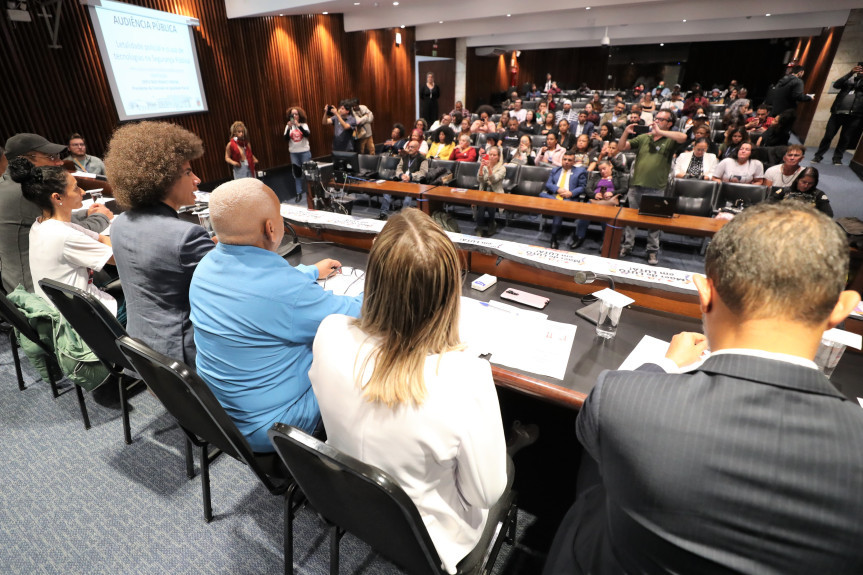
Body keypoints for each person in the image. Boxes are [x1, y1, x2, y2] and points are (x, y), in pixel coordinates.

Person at [543, 202, 863, 575]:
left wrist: (662, 366)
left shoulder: (622, 398)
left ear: (704, 294)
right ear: (843, 309)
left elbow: (590, 435)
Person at [309, 208, 508, 575]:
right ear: (449, 291)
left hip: (348, 501)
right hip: (432, 539)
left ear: (376, 279)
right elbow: (486, 494)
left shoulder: (330, 331)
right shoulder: (466, 377)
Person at [190, 178, 363, 451]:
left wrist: (309, 272)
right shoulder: (284, 291)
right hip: (274, 426)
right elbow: (354, 314)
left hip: (220, 415)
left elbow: (261, 289)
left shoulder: (205, 267)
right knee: (361, 361)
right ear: (271, 228)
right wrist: (383, 287)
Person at [106, 121, 215, 367]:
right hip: (185, 356)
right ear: (163, 179)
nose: (197, 179)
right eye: (188, 172)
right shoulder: (186, 236)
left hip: (142, 348)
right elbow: (237, 287)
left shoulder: (120, 223)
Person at [0, 133, 112, 294]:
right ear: (24, 160)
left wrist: (85, 213)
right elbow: (73, 230)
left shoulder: (8, 185)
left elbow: (61, 221)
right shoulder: (26, 191)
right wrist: (102, 216)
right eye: (51, 157)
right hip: (37, 288)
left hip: (23, 278)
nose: (59, 162)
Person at [8, 157, 117, 316]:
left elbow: (101, 239)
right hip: (91, 319)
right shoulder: (64, 235)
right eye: (76, 188)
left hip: (68, 310)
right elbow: (117, 258)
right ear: (57, 197)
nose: (83, 192)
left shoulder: (39, 225)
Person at [618, 110, 688, 265]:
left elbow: (683, 137)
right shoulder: (644, 137)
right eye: (656, 118)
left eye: (662, 120)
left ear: (669, 123)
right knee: (630, 220)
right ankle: (627, 246)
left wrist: (661, 132)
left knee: (654, 222)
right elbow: (621, 147)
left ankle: (652, 251)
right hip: (636, 186)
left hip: (656, 188)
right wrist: (625, 132)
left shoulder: (670, 140)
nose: (657, 121)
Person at [812, 64, 863, 165]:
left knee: (845, 137)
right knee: (828, 136)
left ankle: (837, 158)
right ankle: (818, 156)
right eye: (859, 68)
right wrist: (850, 73)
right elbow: (836, 85)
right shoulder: (849, 80)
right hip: (837, 113)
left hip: (855, 115)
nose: (860, 71)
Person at [539, 151, 587, 250]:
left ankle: (554, 237)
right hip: (555, 197)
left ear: (573, 162)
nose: (566, 162)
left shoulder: (580, 171)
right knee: (542, 194)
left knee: (559, 208)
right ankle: (559, 204)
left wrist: (571, 193)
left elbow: (582, 187)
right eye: (564, 159)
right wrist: (557, 189)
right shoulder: (555, 170)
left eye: (569, 160)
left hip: (569, 199)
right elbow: (548, 184)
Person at [380, 139, 427, 219]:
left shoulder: (422, 159)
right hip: (402, 180)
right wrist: (401, 175)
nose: (409, 149)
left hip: (414, 182)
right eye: (409, 147)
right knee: (387, 191)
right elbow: (398, 168)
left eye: (412, 147)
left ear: (417, 148)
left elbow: (423, 173)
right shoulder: (404, 157)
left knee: (408, 197)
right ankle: (383, 212)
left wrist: (411, 176)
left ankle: (403, 217)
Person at [768, 167, 833, 216]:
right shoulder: (784, 191)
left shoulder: (819, 195)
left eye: (810, 183)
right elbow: (768, 205)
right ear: (798, 180)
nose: (805, 186)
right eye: (803, 182)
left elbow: (828, 214)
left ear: (814, 184)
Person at [475, 146, 506, 237]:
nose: (492, 156)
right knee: (482, 203)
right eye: (490, 154)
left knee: (489, 202)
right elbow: (479, 180)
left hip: (496, 193)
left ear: (498, 157)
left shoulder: (502, 168)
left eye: (494, 155)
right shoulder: (484, 165)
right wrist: (481, 168)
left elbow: (494, 179)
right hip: (483, 192)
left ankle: (491, 223)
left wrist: (489, 169)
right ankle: (480, 227)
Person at [284, 106, 312, 202]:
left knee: (308, 173)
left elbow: (307, 134)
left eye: (296, 114)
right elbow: (285, 138)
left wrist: (298, 125)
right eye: (292, 114)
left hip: (304, 152)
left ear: (299, 116)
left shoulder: (304, 125)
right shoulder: (288, 126)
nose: (294, 116)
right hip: (294, 153)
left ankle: (310, 192)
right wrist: (289, 128)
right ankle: (299, 193)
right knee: (297, 174)